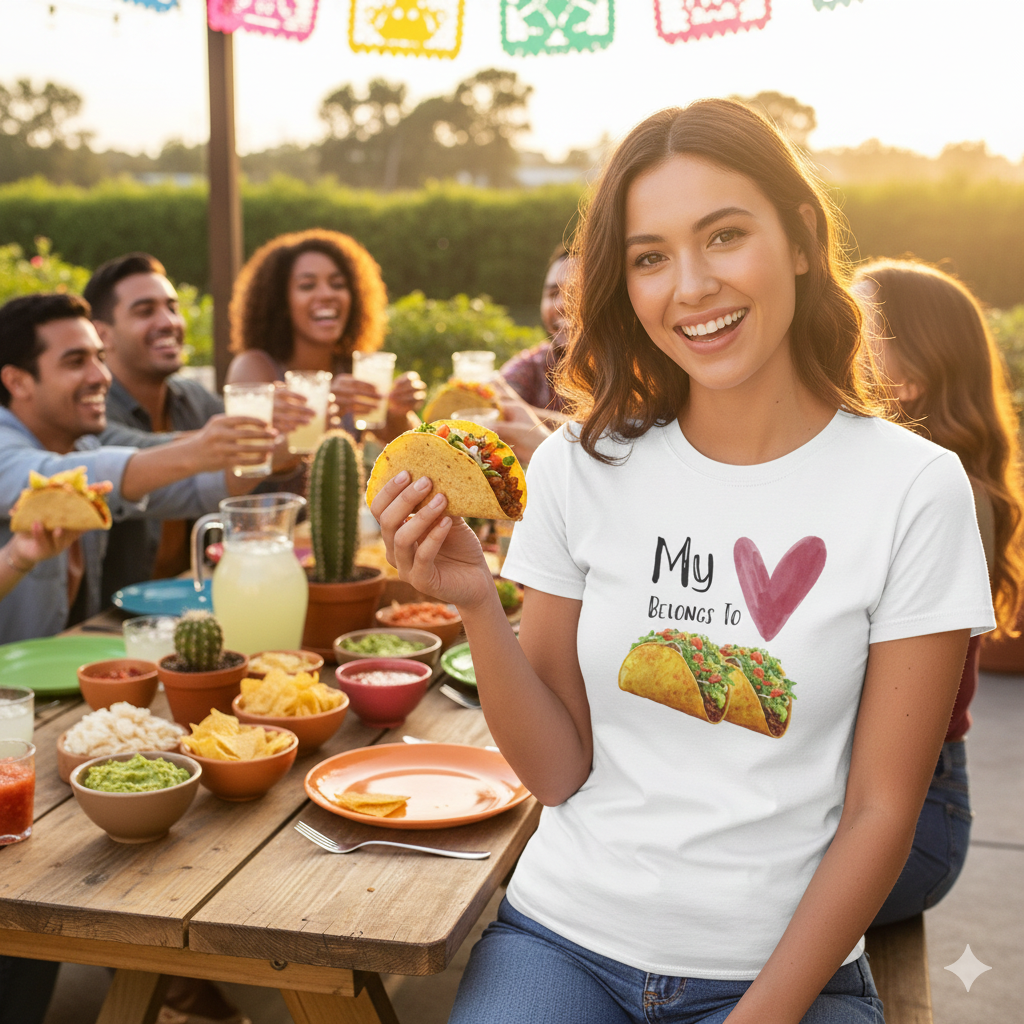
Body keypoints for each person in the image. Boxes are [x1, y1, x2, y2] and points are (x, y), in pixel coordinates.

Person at [370, 99, 994, 1024]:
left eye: (724, 236)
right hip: (564, 941)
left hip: (785, 973)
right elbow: (557, 773)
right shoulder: (579, 466)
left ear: (801, 240)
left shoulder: (914, 487)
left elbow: (882, 813)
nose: (691, 286)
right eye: (650, 257)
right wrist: (474, 602)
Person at [853, 258, 1024, 927]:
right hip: (843, 800)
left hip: (913, 819)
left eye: (854, 327)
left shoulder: (946, 497)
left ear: (909, 380)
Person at [0, 292, 276, 642]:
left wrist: (273, 443)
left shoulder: (82, 444)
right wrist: (196, 451)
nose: (101, 376)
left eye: (100, 358)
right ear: (17, 382)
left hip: (69, 658)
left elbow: (193, 490)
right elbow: (57, 479)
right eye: (75, 362)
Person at [82, 252, 226, 601]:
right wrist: (231, 442)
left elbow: (257, 469)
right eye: (145, 311)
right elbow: (130, 452)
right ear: (102, 334)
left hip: (197, 602)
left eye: (172, 308)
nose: (168, 322)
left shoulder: (192, 398)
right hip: (116, 618)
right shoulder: (88, 411)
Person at [225, 228, 425, 445]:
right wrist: (322, 410)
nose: (327, 294)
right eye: (307, 286)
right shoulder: (255, 367)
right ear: (281, 302)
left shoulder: (355, 368)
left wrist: (398, 413)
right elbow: (248, 458)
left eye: (338, 285)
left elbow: (416, 448)